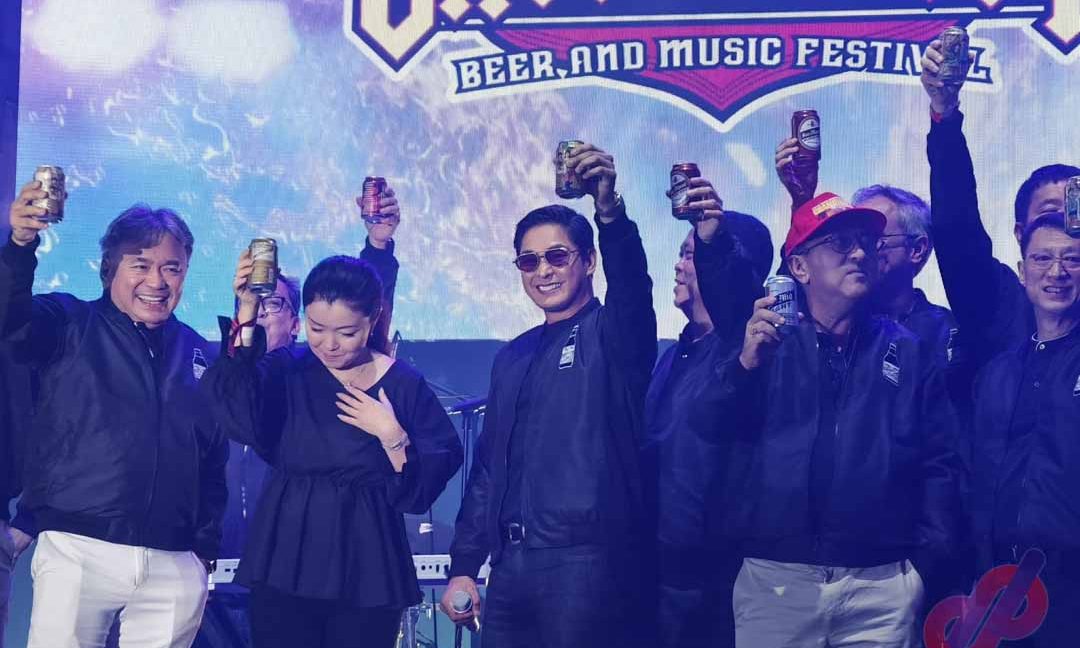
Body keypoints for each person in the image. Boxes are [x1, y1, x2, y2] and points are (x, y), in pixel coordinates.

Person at [699, 192, 964, 647]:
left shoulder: (908, 349)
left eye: (865, 242)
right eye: (841, 244)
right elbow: (710, 430)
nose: (858, 253)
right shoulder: (765, 341)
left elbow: (940, 461)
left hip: (882, 585)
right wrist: (745, 368)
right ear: (799, 268)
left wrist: (922, 567)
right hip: (776, 580)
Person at [441, 143, 658, 647]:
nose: (544, 271)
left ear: (589, 261)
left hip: (589, 565)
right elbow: (489, 471)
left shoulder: (613, 335)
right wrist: (464, 566)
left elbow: (632, 287)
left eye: (558, 256)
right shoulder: (512, 356)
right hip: (511, 568)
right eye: (529, 261)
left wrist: (610, 213)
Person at [1, 181, 228, 648]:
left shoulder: (197, 351)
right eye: (140, 265)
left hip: (173, 561)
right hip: (79, 550)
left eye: (172, 268)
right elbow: (9, 319)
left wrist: (201, 551)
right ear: (109, 268)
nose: (157, 281)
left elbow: (212, 453)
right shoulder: (68, 322)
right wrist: (20, 246)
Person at [202, 253, 463, 648]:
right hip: (287, 548)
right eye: (316, 328)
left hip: (367, 557)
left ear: (373, 320)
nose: (329, 344)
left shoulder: (402, 383)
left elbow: (423, 484)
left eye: (345, 332)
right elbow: (234, 407)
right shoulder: (287, 367)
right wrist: (247, 310)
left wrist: (392, 435)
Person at [641, 174, 773, 648]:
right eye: (681, 254)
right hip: (658, 576)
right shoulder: (671, 356)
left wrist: (713, 239)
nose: (679, 267)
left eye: (690, 255)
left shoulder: (748, 355)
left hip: (717, 584)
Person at [921, 39, 1080, 369]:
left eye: (1075, 210)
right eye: (1050, 213)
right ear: (1021, 233)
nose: (1064, 225)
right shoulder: (996, 301)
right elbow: (957, 228)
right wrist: (945, 118)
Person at [963, 214, 1080, 647]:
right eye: (1042, 258)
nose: (1056, 272)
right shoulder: (997, 372)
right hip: (996, 588)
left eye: (1072, 259)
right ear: (1021, 271)